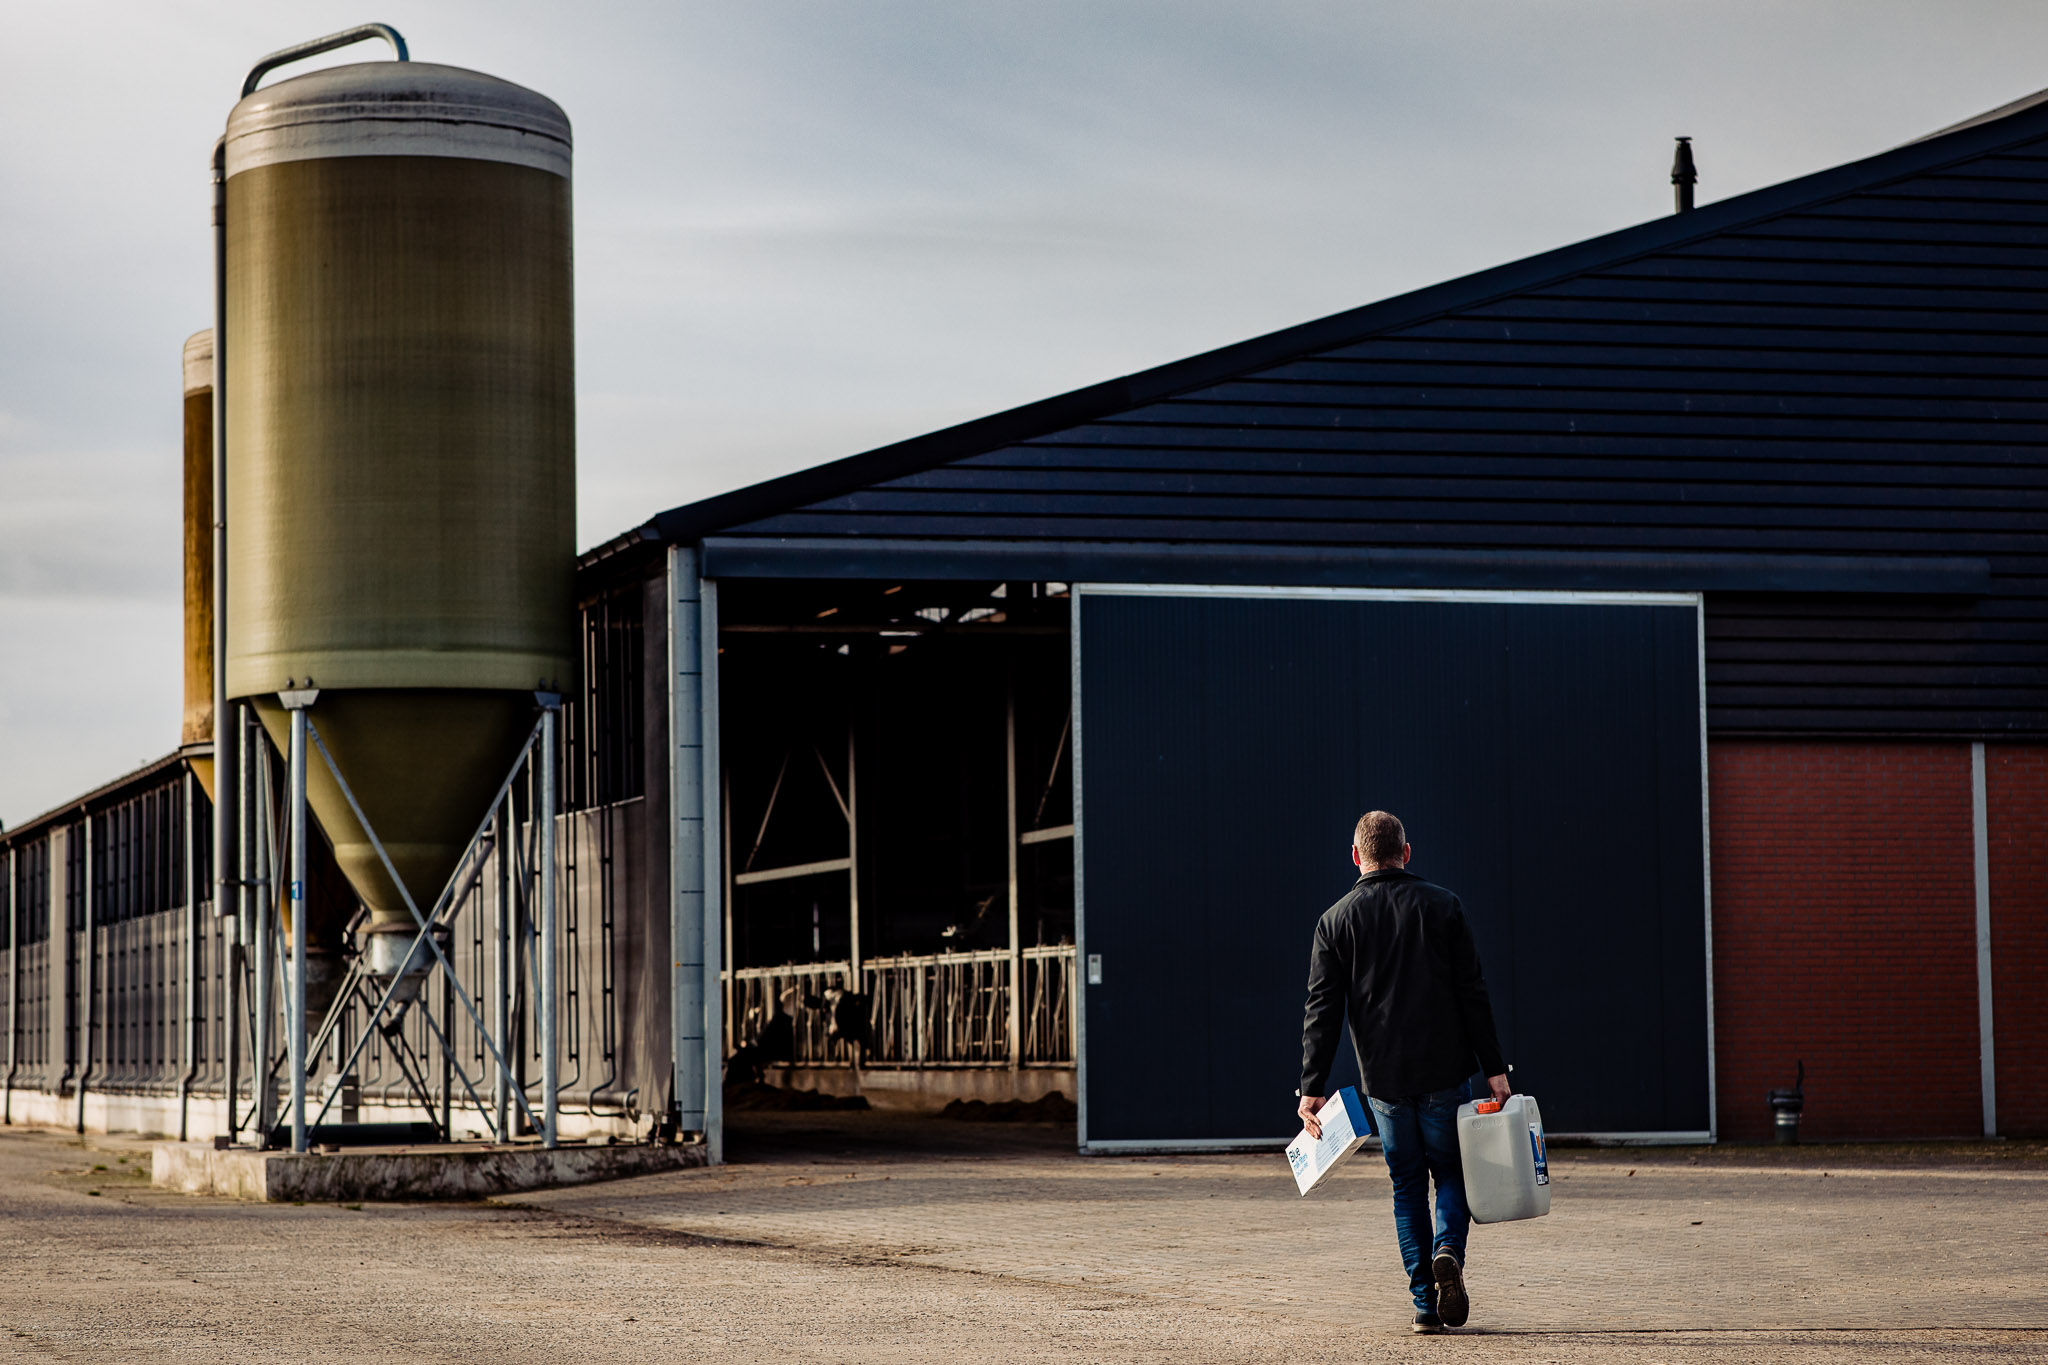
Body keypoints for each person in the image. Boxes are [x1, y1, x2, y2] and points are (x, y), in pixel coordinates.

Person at [1296, 811, 1511, 1334]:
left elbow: (1321, 1010)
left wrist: (1312, 1089)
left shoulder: (1335, 921)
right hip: (1444, 1072)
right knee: (1452, 1172)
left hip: (1385, 1082)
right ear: (1406, 852)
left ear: (1356, 857)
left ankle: (1423, 1302)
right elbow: (1473, 993)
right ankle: (1448, 1252)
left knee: (1407, 1185)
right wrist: (1494, 1069)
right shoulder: (1443, 906)